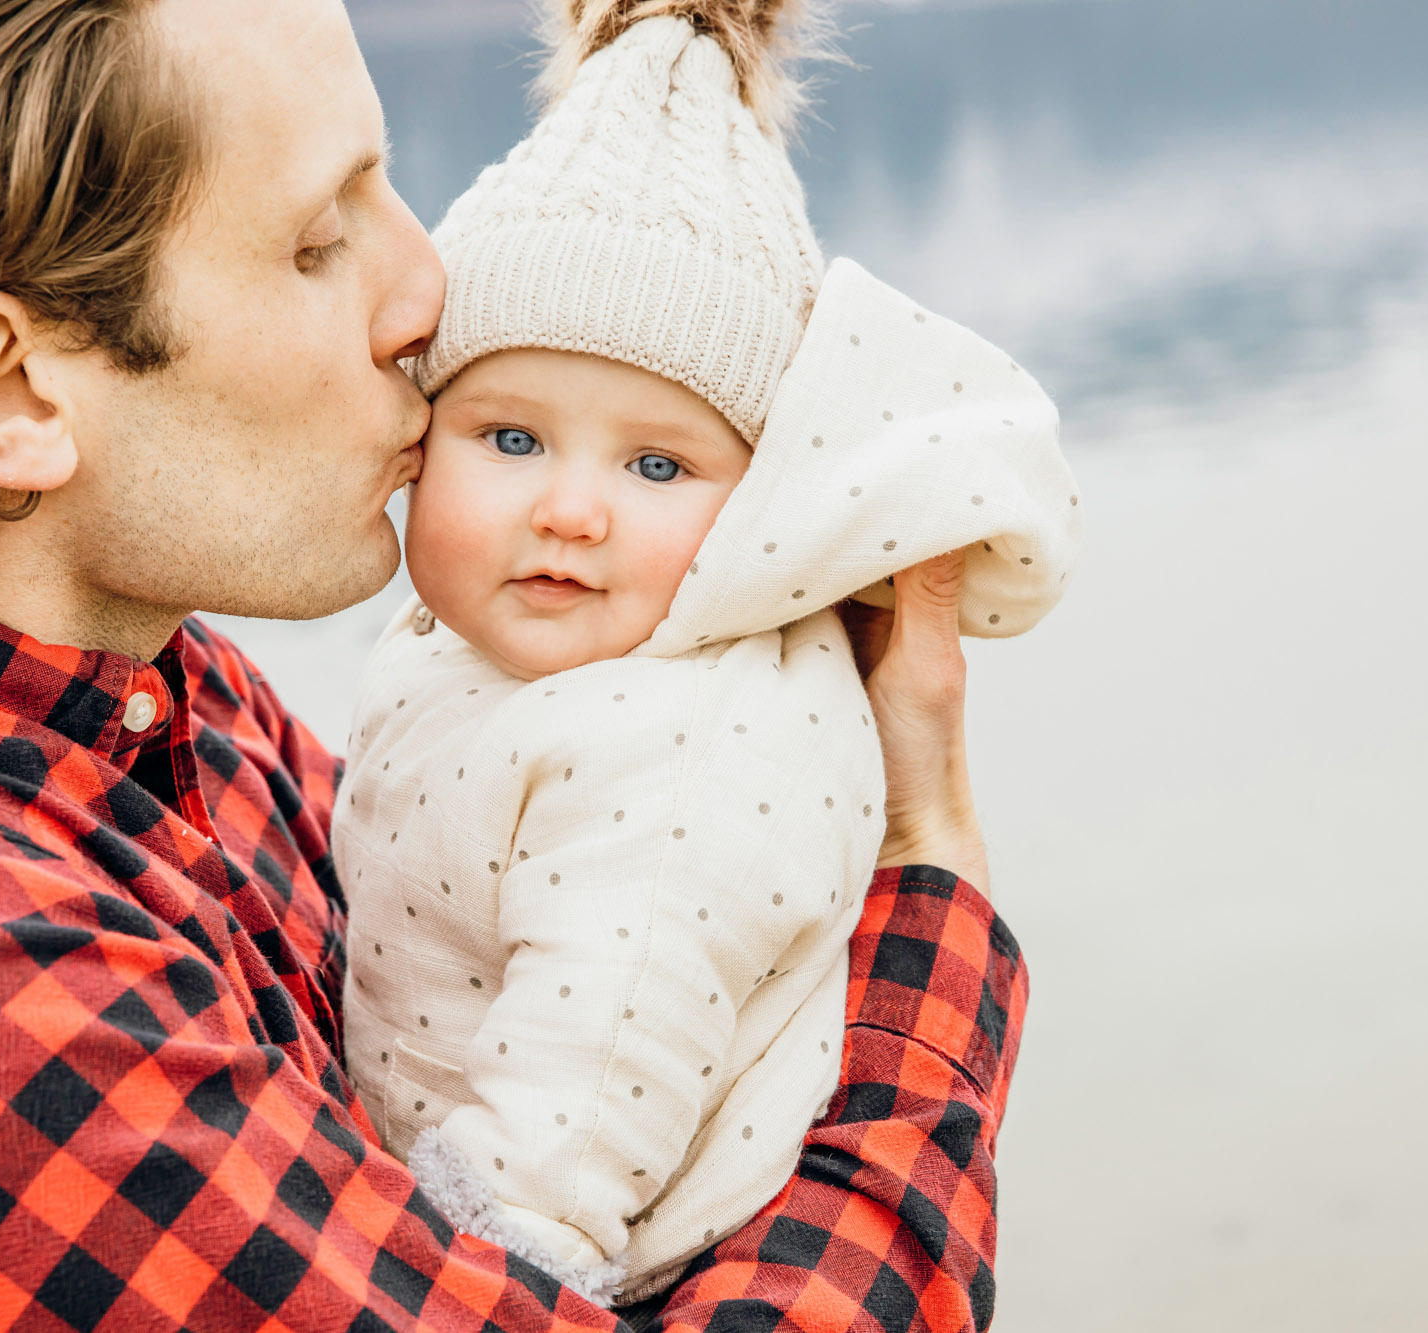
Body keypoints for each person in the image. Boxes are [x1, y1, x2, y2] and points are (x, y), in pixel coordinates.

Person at [0, 0, 1023, 1329]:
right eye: (318, 242)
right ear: (13, 393)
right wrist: (926, 863)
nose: (426, 292)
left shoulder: (166, 703)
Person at [335, 1, 1080, 1308]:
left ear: (755, 510)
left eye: (658, 463)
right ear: (419, 436)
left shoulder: (689, 751)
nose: (571, 506)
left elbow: (605, 1037)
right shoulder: (482, 648)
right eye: (510, 437)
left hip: (600, 1242)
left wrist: (501, 1244)